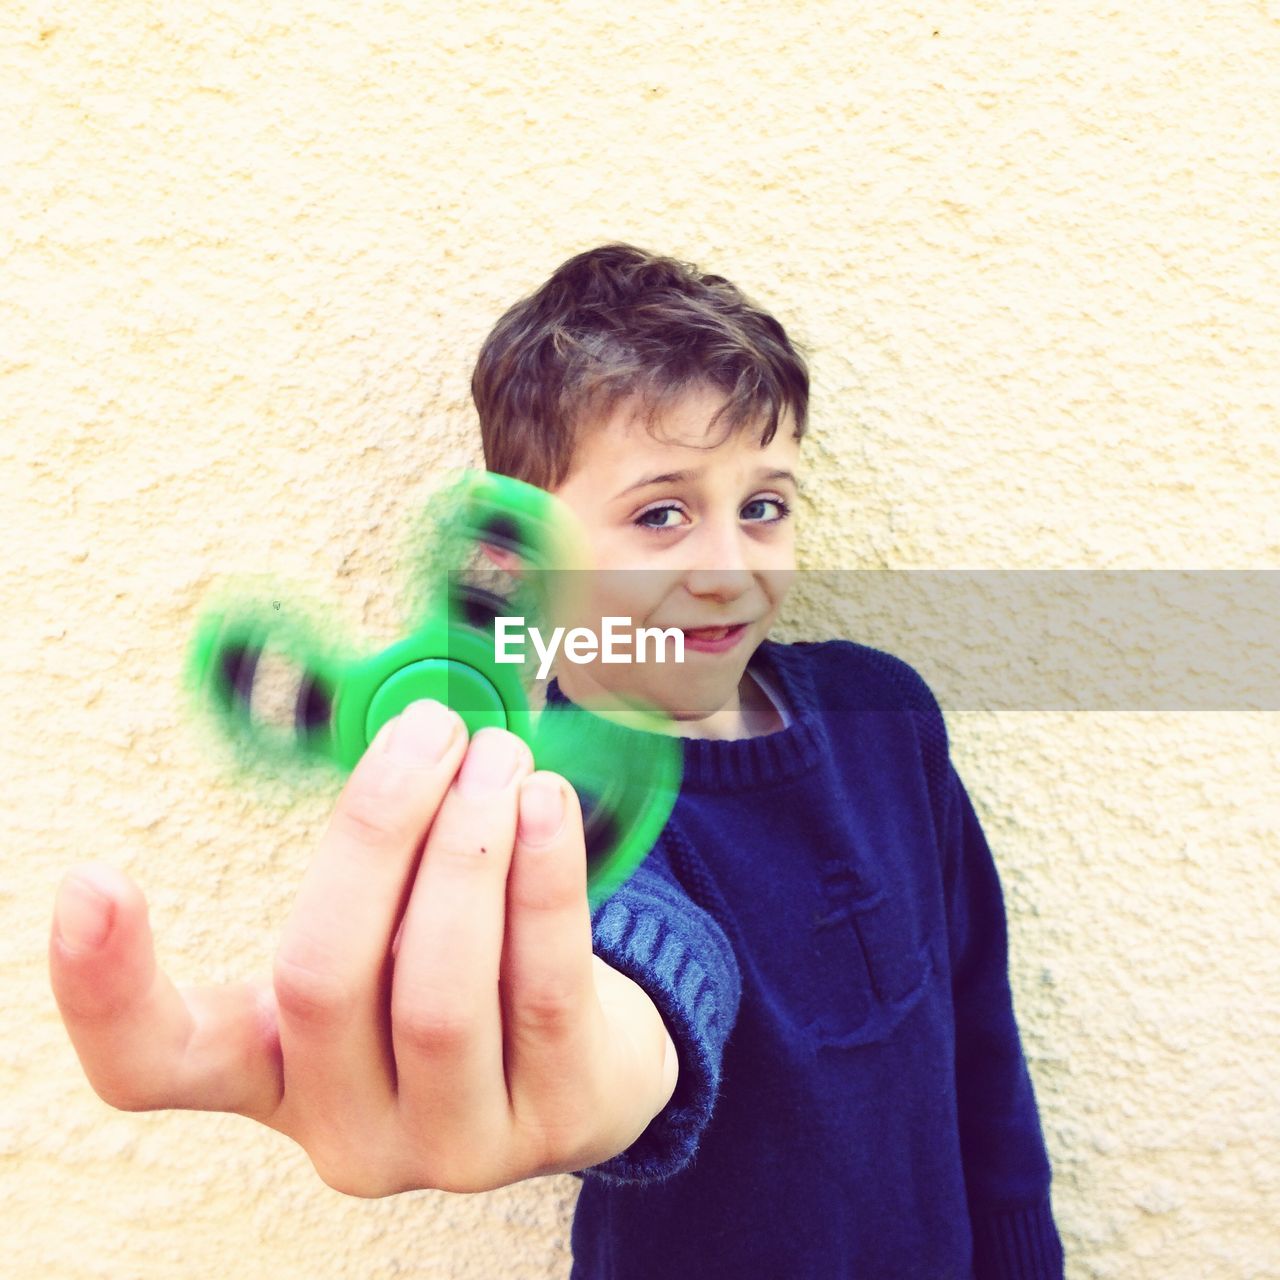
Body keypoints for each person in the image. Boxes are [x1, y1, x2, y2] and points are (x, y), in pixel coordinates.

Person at [50, 243, 1064, 1278]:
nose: (727, 567)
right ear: (514, 552)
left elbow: (978, 1025)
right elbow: (632, 975)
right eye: (660, 511)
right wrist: (585, 1055)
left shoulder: (881, 710)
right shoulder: (547, 797)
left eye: (762, 503)